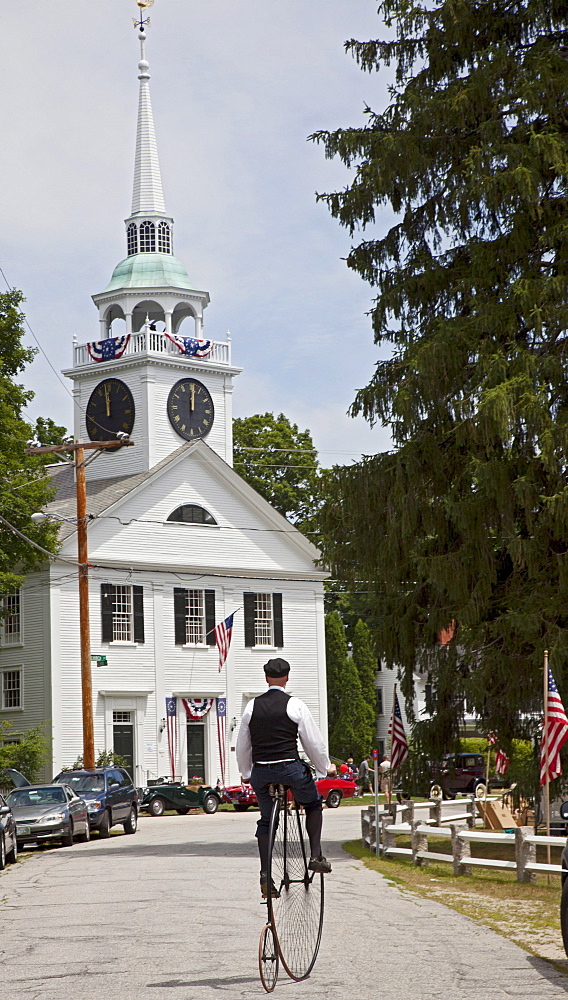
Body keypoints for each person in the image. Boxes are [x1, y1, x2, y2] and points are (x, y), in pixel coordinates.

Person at [236, 657, 337, 898]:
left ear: (266, 678)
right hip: (289, 768)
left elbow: (242, 745)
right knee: (312, 803)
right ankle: (315, 856)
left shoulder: (251, 707)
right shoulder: (296, 705)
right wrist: (325, 768)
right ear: (287, 677)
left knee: (266, 820)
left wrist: (247, 773)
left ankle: (264, 874)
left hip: (261, 770)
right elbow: (313, 742)